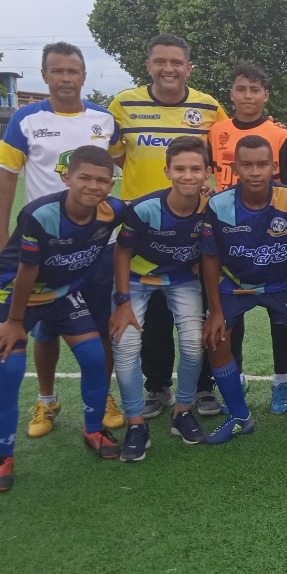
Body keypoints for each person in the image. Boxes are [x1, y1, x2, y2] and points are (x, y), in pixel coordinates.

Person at [0, 42, 123, 439]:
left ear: (83, 75)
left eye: (73, 71)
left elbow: (123, 163)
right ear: (45, 74)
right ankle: (47, 399)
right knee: (46, 330)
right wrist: (2, 242)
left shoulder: (104, 119)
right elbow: (6, 181)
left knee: (102, 327)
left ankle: (101, 398)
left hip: (98, 245)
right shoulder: (25, 118)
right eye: (57, 70)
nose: (66, 78)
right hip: (45, 248)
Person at [0, 146, 127, 492]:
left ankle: (94, 430)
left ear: (111, 184)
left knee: (94, 357)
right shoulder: (41, 213)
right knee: (9, 369)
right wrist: (15, 322)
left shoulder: (112, 210)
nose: (93, 186)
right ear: (67, 178)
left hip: (60, 293)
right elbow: (27, 271)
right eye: (85, 178)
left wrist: (201, 194)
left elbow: (150, 208)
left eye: (102, 180)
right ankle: (2, 456)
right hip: (12, 295)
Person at [109, 34, 227, 419]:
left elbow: (225, 150)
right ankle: (157, 386)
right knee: (155, 320)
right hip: (142, 227)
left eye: (176, 62)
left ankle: (203, 387)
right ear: (148, 66)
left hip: (193, 228)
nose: (168, 68)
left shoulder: (209, 106)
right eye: (160, 61)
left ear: (188, 67)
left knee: (199, 310)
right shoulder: (123, 105)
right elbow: (115, 156)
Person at [199, 135, 287, 445]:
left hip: (279, 283)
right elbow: (210, 259)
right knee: (216, 338)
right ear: (235, 167)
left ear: (274, 166)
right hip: (234, 284)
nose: (255, 172)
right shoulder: (219, 204)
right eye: (247, 165)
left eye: (262, 164)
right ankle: (240, 417)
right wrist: (214, 311)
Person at [207, 63, 287, 415]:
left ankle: (279, 381)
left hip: (270, 230)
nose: (248, 96)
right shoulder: (216, 131)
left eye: (255, 89)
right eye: (241, 89)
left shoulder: (279, 134)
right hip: (228, 230)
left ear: (265, 95)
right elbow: (208, 174)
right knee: (232, 313)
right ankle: (237, 375)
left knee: (280, 317)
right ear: (231, 93)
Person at [109, 136, 210, 461]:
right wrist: (123, 301)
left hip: (181, 279)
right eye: (179, 169)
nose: (188, 176)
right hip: (136, 280)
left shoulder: (211, 207)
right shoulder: (145, 208)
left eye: (195, 169)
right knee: (125, 346)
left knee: (193, 343)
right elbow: (121, 252)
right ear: (167, 171)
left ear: (207, 172)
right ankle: (136, 423)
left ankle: (182, 411)